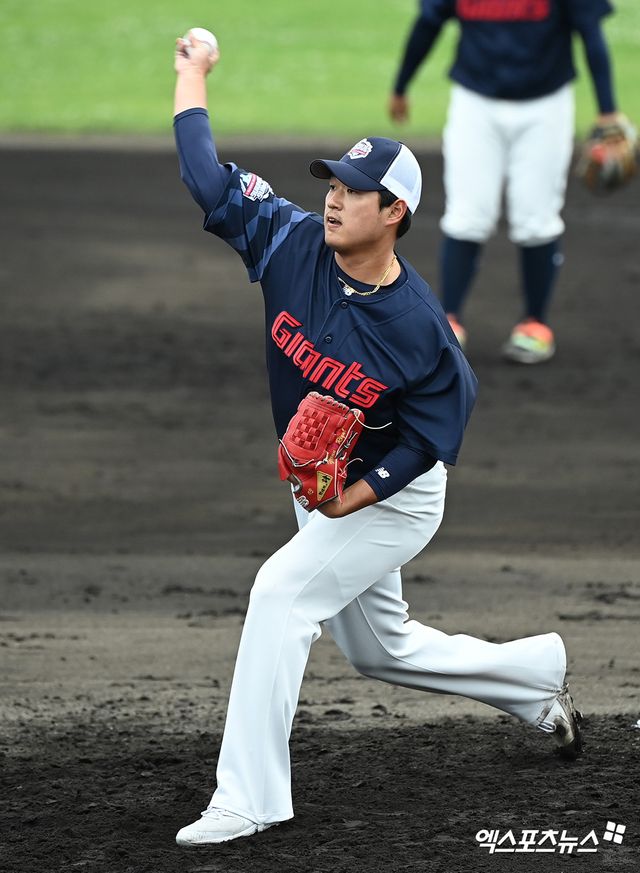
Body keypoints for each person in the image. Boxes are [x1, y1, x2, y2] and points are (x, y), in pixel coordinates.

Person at [172, 32, 582, 847]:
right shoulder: (290, 244)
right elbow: (205, 178)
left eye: (355, 190)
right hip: (329, 491)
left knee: (281, 594)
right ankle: (536, 678)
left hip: (391, 498)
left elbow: (427, 441)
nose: (333, 196)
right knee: (380, 648)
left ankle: (248, 797)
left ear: (393, 211)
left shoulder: (422, 330)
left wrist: (346, 499)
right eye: (332, 181)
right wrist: (193, 71)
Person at [390, 0, 624, 363]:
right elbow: (428, 23)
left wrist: (608, 109)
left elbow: (590, 33)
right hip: (475, 103)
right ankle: (449, 321)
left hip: (546, 106)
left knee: (536, 217)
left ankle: (535, 324)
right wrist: (401, 85)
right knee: (467, 214)